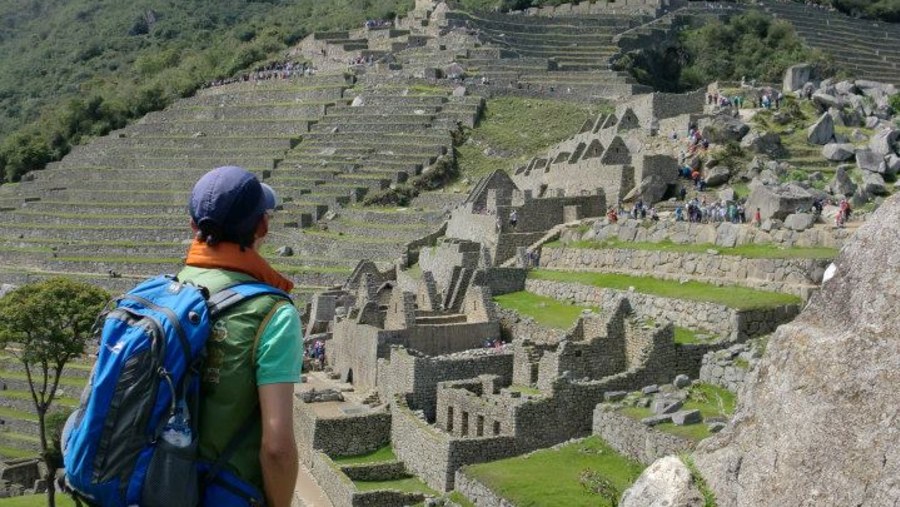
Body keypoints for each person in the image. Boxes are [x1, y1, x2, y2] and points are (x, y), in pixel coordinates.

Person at [182, 166, 301, 507]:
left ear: (193, 227)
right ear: (262, 226)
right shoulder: (271, 313)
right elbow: (276, 448)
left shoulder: (167, 293)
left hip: (156, 487)